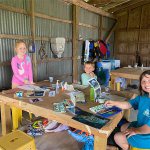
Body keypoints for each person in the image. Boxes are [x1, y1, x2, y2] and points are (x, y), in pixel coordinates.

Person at [105, 70, 150, 150]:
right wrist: (114, 103)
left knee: (117, 137)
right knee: (123, 127)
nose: (146, 84)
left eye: (149, 80)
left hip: (147, 135)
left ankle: (127, 148)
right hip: (141, 125)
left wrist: (135, 131)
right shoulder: (143, 97)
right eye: (143, 81)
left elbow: (148, 128)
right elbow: (128, 104)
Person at [11, 40, 34, 129]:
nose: (23, 50)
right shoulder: (14, 59)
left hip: (26, 84)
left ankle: (29, 120)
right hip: (16, 84)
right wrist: (25, 81)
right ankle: (16, 123)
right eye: (20, 48)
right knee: (17, 101)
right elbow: (16, 74)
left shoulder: (28, 58)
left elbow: (30, 71)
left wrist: (31, 82)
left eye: (24, 48)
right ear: (16, 49)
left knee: (26, 99)